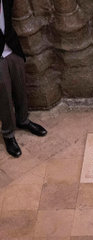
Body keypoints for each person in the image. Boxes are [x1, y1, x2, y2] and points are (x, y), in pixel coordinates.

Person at [0, 0, 47, 158]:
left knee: (21, 86)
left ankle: (23, 120)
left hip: (12, 48)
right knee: (4, 94)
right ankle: (8, 134)